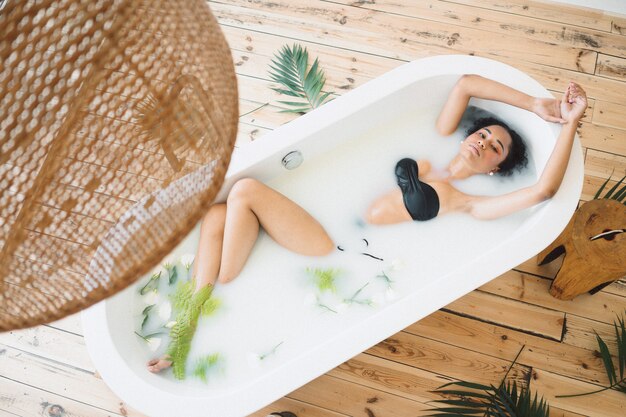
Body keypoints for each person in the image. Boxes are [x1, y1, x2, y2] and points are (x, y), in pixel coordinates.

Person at [147, 74, 587, 375]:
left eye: (496, 149)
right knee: (217, 213)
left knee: (242, 191)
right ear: (472, 133)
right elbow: (465, 83)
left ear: (495, 169)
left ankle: (189, 321)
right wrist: (534, 104)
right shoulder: (433, 137)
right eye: (486, 134)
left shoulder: (465, 204)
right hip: (321, 211)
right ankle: (195, 315)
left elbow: (542, 192)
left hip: (336, 245)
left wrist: (569, 125)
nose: (485, 142)